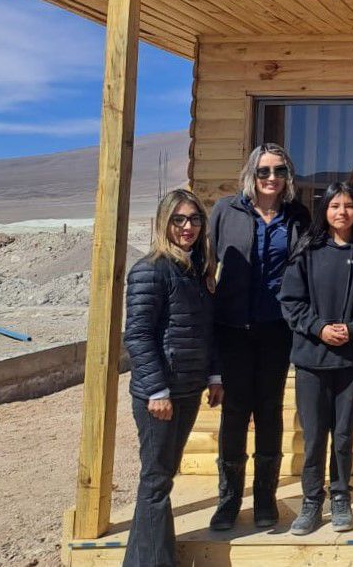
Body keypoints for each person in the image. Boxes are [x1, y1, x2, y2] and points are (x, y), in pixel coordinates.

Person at [207, 143, 311, 531]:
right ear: (251, 173)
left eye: (279, 171)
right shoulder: (225, 211)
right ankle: (229, 500)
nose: (272, 178)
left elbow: (304, 269)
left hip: (276, 329)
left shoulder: (297, 216)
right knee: (234, 413)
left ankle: (265, 497)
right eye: (265, 171)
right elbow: (208, 266)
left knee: (268, 412)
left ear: (288, 176)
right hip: (232, 328)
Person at [279, 182, 353, 535]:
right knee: (314, 436)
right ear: (324, 211)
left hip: (352, 360)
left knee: (343, 435)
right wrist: (319, 328)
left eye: (348, 206)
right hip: (312, 359)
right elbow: (291, 302)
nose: (342, 212)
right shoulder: (307, 251)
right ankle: (312, 501)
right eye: (334, 206)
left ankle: (341, 497)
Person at [122, 190, 222, 567]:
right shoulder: (151, 270)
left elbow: (206, 330)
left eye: (194, 219)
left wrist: (213, 375)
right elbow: (138, 335)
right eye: (178, 219)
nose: (187, 227)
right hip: (159, 395)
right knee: (156, 482)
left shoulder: (196, 271)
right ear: (164, 222)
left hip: (187, 389)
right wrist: (156, 390)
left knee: (160, 479)